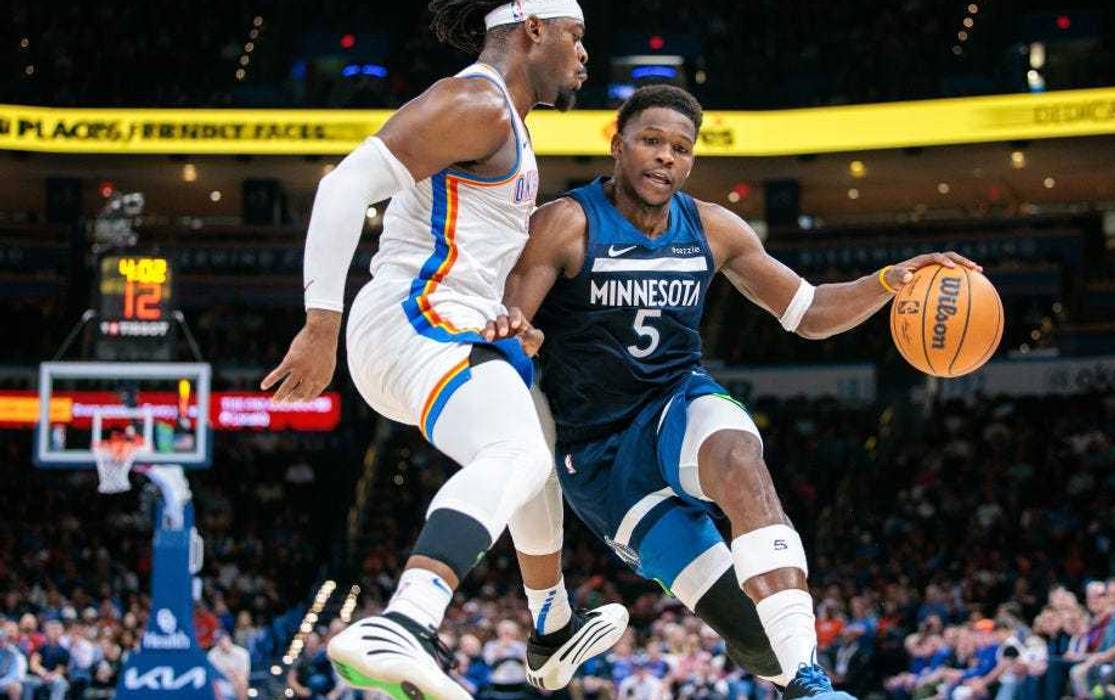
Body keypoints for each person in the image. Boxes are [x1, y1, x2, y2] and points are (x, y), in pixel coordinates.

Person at [496, 83, 980, 700]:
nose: (666, 157)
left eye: (680, 147)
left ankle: (811, 677)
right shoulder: (566, 223)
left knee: (739, 457)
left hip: (676, 402)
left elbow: (808, 312)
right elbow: (511, 325)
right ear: (617, 145)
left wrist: (889, 280)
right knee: (746, 631)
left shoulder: (714, 227)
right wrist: (522, 338)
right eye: (651, 141)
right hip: (598, 454)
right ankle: (785, 671)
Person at [261, 1, 626, 698]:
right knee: (513, 452)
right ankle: (404, 621)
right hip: (409, 316)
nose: (584, 55)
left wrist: (505, 316)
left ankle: (551, 623)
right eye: (577, 36)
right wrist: (319, 326)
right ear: (533, 30)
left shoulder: (506, 121)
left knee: (532, 441)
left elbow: (466, 243)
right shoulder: (474, 102)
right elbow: (342, 188)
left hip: (446, 320)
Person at [208, 630, 251, 699]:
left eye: (223, 639)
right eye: (218, 641)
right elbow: (212, 675)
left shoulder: (242, 653)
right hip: (222, 683)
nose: (221, 642)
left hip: (236, 682)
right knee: (214, 685)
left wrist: (234, 675)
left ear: (229, 639)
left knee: (242, 681)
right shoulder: (212, 655)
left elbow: (245, 675)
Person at [0, 625, 26, 700]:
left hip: (5, 683)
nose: (1, 642)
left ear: (6, 640)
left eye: (2, 639)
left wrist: (1, 683)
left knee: (16, 687)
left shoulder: (14, 653)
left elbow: (14, 675)